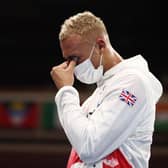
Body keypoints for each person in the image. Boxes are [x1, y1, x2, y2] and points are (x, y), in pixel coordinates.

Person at [50, 11, 163, 168]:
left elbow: (89, 148)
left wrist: (65, 91)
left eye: (75, 58)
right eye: (68, 59)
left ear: (100, 45)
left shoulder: (133, 82)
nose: (72, 67)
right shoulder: (96, 97)